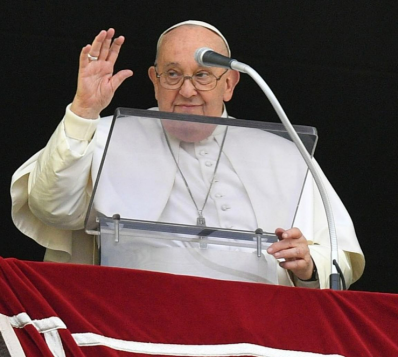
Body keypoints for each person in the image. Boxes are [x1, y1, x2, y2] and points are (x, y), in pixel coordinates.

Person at [10, 20, 364, 288]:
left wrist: (308, 265)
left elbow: (335, 255)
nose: (187, 89)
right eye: (173, 74)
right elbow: (51, 207)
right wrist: (84, 110)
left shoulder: (284, 155)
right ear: (154, 79)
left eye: (203, 75)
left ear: (229, 84)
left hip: (255, 333)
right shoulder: (103, 135)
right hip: (135, 326)